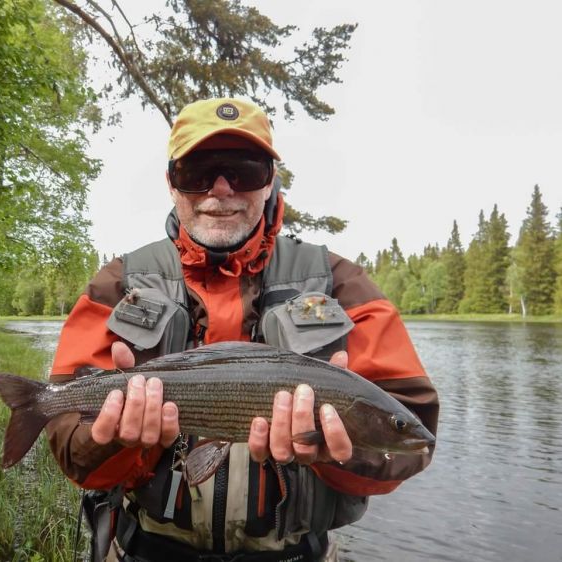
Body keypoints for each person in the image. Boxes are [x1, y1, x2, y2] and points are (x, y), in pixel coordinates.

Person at [46, 97, 439, 562]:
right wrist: (109, 439)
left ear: (270, 181)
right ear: (172, 183)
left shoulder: (342, 283)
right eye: (197, 172)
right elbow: (69, 447)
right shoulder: (118, 283)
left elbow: (413, 440)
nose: (221, 189)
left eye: (244, 170)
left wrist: (339, 454)